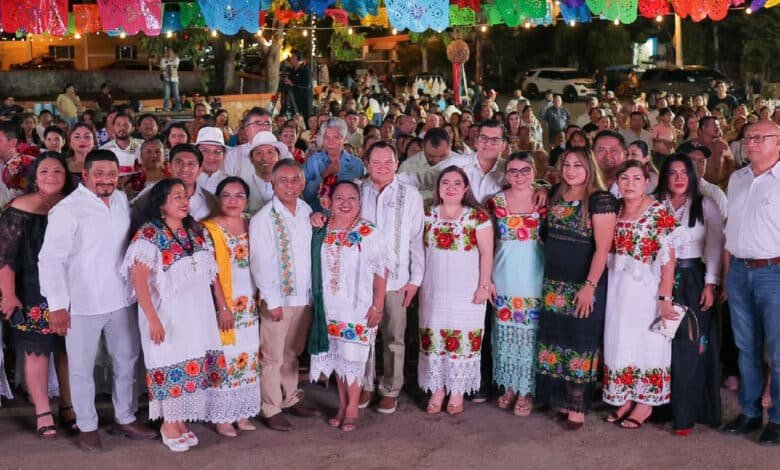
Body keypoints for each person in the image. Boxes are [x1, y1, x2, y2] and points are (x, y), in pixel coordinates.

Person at [38, 150, 157, 452]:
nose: (106, 180)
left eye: (112, 174)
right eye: (99, 174)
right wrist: (57, 305)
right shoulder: (68, 210)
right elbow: (50, 259)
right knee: (81, 368)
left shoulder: (120, 201)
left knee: (127, 360)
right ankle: (87, 425)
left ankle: (124, 417)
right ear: (85, 175)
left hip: (121, 298)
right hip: (81, 303)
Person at [124, 178, 229, 452]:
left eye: (185, 196)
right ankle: (169, 423)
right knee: (169, 361)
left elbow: (212, 273)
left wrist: (222, 307)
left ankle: (180, 419)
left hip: (197, 312)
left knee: (190, 363)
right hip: (166, 314)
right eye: (177, 197)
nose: (184, 201)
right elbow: (138, 279)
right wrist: (152, 319)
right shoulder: (149, 233)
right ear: (162, 204)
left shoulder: (194, 230)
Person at [535, 146, 617, 430]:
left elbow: (603, 248)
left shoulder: (600, 199)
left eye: (578, 165)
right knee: (557, 338)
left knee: (580, 340)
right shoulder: (558, 192)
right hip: (553, 281)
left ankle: (577, 405)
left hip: (583, 282)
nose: (571, 170)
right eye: (567, 164)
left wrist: (589, 286)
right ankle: (560, 399)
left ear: (589, 168)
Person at [0, 153, 77, 438]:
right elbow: (5, 257)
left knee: (68, 349)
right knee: (37, 350)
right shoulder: (19, 207)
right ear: (34, 176)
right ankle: (43, 411)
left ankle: (68, 406)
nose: (51, 177)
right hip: (31, 289)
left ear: (66, 176)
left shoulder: (74, 205)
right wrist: (8, 294)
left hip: (71, 289)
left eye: (58, 171)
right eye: (44, 171)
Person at [603, 160, 679, 429]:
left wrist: (665, 298)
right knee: (620, 340)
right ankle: (625, 397)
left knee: (647, 342)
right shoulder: (614, 209)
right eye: (624, 178)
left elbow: (669, 260)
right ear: (617, 182)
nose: (630, 184)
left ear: (647, 182)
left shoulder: (658, 212)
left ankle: (645, 403)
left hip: (647, 291)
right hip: (617, 288)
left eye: (636, 178)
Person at [309, 181, 389, 431]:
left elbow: (381, 270)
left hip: (358, 307)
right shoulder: (321, 229)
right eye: (339, 198)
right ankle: (342, 405)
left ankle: (353, 408)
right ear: (330, 202)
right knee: (338, 357)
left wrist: (378, 305)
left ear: (359, 202)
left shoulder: (369, 231)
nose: (345, 203)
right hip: (329, 307)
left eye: (352, 198)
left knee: (354, 357)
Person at [655, 153, 723, 435]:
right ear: (665, 176)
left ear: (693, 175)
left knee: (691, 346)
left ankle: (687, 414)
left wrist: (710, 284)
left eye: (684, 172)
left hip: (694, 279)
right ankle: (658, 408)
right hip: (658, 280)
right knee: (660, 343)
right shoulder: (654, 204)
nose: (679, 178)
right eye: (673, 172)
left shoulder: (705, 204)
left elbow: (715, 247)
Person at [721, 120, 780, 445]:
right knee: (746, 347)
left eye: (759, 138)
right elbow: (731, 228)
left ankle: (779, 418)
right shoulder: (737, 179)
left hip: (774, 272)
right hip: (740, 271)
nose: (751, 143)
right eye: (747, 138)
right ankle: (750, 411)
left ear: (778, 142)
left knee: (779, 351)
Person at [418, 166, 493, 415]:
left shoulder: (477, 217)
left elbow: (486, 253)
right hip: (434, 290)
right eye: (445, 183)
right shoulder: (427, 215)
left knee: (462, 341)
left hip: (466, 293)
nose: (451, 188)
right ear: (438, 188)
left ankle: (457, 390)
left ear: (466, 188)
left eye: (457, 183)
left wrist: (484, 286)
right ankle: (438, 389)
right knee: (435, 340)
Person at [357, 142, 424, 414]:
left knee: (394, 337)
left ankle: (391, 388)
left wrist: (415, 280)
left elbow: (417, 239)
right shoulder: (356, 191)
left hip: (397, 280)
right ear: (367, 164)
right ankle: (365, 384)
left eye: (388, 162)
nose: (382, 167)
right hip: (362, 280)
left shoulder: (410, 195)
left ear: (397, 164)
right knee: (363, 335)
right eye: (376, 162)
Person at [251, 159, 318, 432]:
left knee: (292, 353)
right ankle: (271, 407)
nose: (290, 186)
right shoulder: (263, 218)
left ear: (303, 183)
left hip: (304, 297)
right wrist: (271, 301)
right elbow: (260, 263)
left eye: (295, 180)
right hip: (278, 300)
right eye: (283, 180)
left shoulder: (306, 209)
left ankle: (291, 397)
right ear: (273, 184)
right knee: (272, 357)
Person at [201, 177, 262, 437]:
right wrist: (222, 307)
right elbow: (211, 272)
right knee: (225, 356)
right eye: (227, 195)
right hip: (224, 302)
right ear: (218, 199)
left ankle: (242, 412)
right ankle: (222, 416)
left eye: (239, 196)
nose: (233, 201)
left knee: (247, 355)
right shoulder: (209, 229)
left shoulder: (252, 224)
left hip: (250, 303)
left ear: (246, 200)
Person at [486, 152, 545, 417]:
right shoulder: (495, 202)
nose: (519, 176)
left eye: (525, 170)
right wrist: (486, 278)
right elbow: (487, 244)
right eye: (513, 171)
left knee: (529, 335)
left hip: (534, 276)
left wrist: (545, 189)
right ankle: (509, 385)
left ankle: (526, 390)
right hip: (504, 275)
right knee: (504, 332)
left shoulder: (543, 200)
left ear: (534, 172)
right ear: (506, 174)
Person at [303, 118, 365, 212]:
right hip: (318, 216)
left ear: (344, 139)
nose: (330, 142)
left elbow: (360, 197)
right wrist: (324, 174)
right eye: (327, 137)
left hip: (347, 216)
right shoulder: (313, 161)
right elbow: (306, 195)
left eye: (336, 137)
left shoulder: (356, 164)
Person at [194, 127, 228, 194]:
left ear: (224, 156)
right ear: (195, 153)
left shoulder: (230, 183)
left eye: (217, 151)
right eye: (205, 151)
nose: (211, 157)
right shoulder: (185, 181)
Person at [284, 50, 313, 120]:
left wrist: (292, 84)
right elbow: (289, 83)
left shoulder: (305, 70)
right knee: (295, 121)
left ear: (298, 58)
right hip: (294, 102)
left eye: (293, 57)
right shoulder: (292, 71)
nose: (291, 59)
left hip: (304, 102)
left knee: (306, 121)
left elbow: (307, 84)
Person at [161, 48, 182, 112]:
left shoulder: (176, 59)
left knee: (176, 94)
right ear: (166, 53)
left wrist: (168, 67)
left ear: (173, 52)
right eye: (168, 52)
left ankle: (178, 108)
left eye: (170, 52)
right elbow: (163, 68)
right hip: (166, 79)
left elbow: (175, 67)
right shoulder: (163, 59)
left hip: (175, 79)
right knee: (166, 94)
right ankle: (165, 108)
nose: (169, 53)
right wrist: (170, 67)